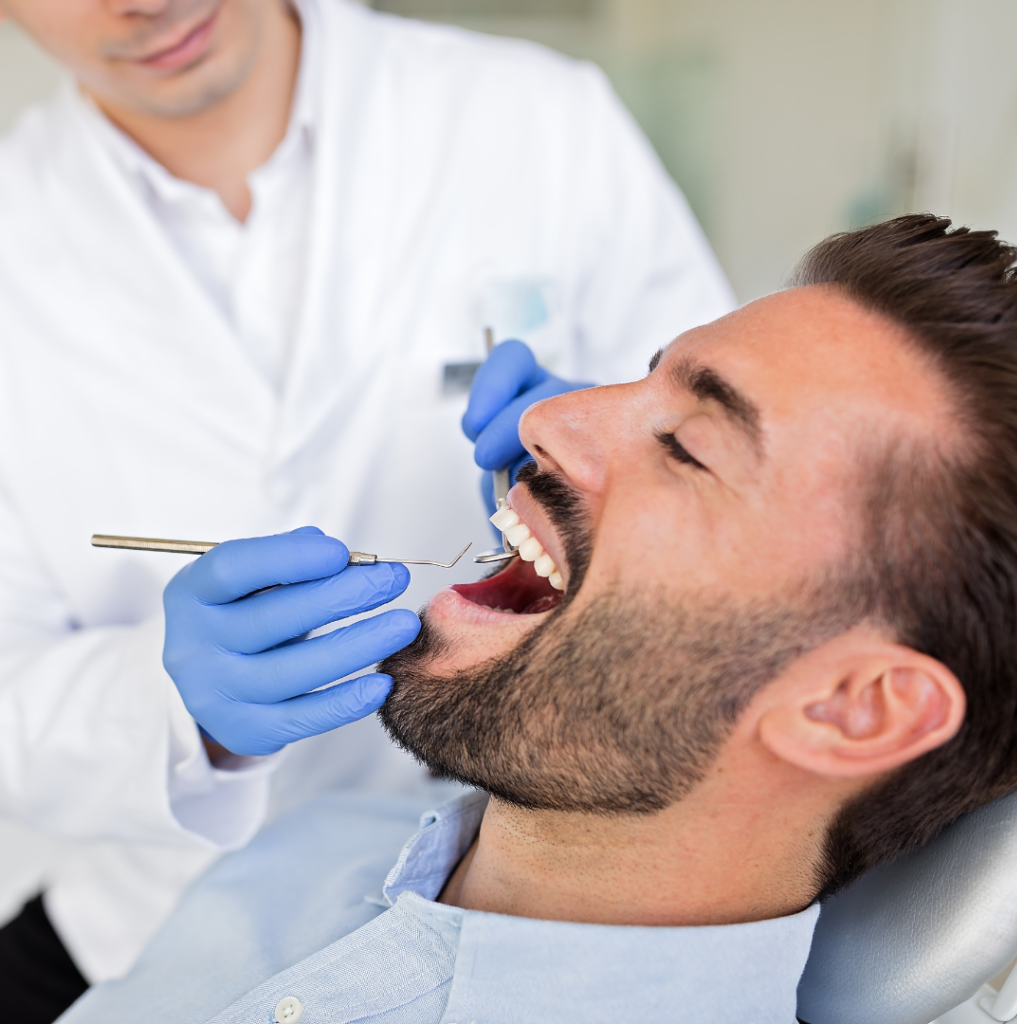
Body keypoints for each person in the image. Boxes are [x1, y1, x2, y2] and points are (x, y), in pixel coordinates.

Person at [55, 214, 1017, 1024]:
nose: (541, 422)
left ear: (853, 706)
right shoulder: (310, 844)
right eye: (636, 376)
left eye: (687, 445)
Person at [0, 0, 733, 1011]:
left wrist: (619, 433)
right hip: (146, 923)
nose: (141, 2)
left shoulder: (534, 119)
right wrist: (171, 713)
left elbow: (741, 496)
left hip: (512, 890)